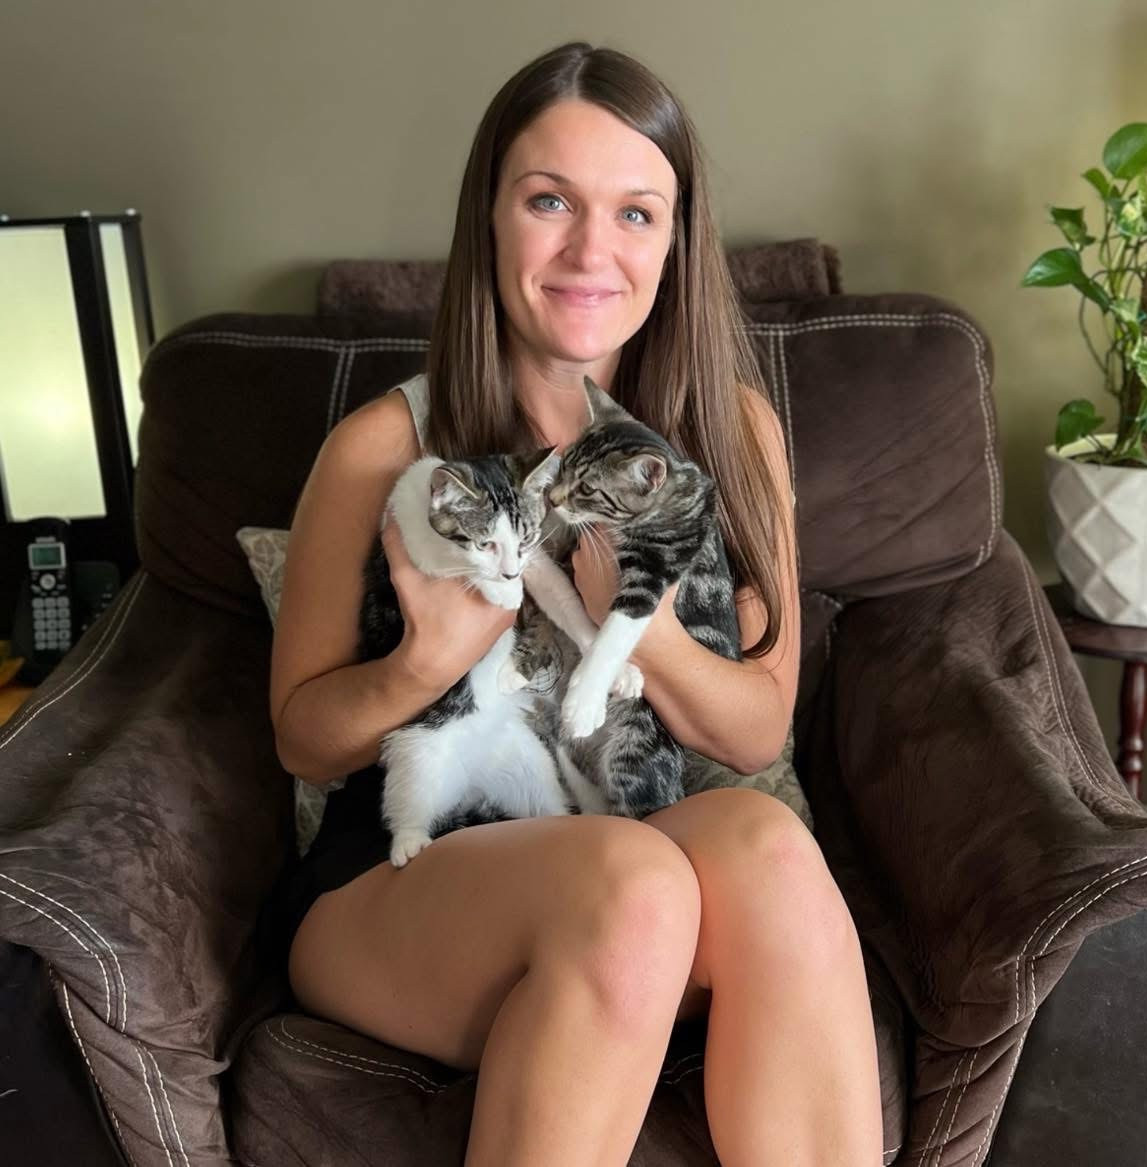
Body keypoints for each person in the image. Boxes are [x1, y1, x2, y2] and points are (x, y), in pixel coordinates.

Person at [268, 40, 883, 1167]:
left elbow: (756, 730)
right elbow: (302, 739)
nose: (592, 251)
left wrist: (641, 624)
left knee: (766, 846)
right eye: (549, 200)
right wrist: (420, 664)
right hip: (401, 885)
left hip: (626, 882)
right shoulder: (381, 448)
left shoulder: (733, 433)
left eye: (636, 213)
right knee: (638, 881)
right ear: (490, 219)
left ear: (675, 241)